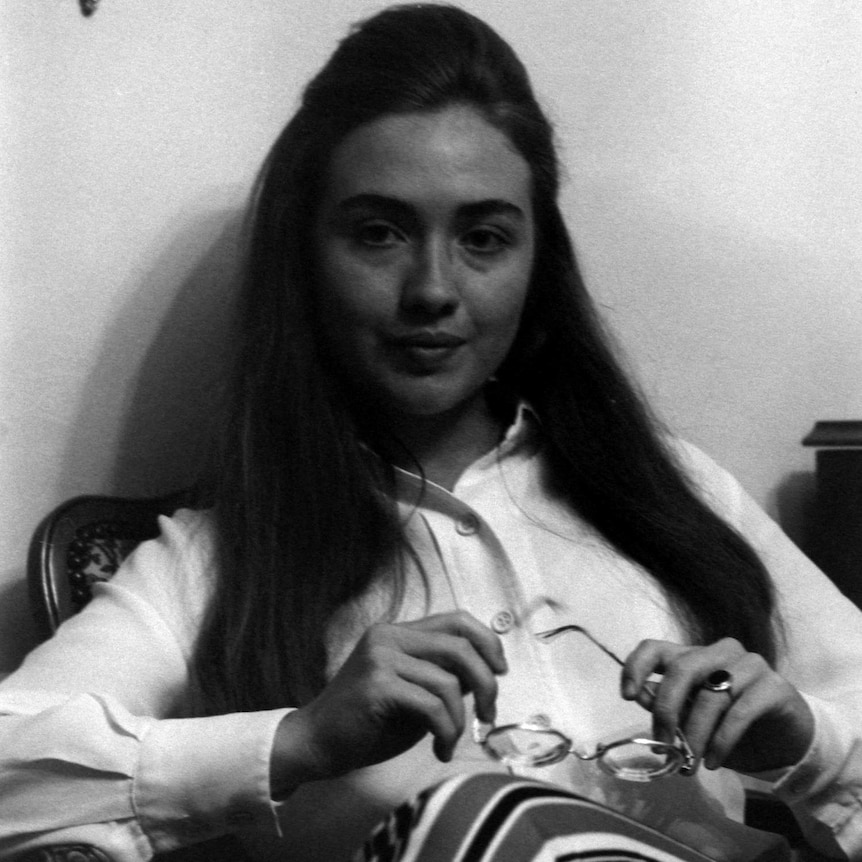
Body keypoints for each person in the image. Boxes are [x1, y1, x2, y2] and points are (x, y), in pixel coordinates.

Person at [1, 4, 861, 861]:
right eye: (380, 233)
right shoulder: (220, 560)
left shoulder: (676, 494)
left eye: (483, 238)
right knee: (469, 812)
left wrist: (801, 744)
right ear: (306, 257)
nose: (433, 289)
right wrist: (299, 741)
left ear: (537, 264)